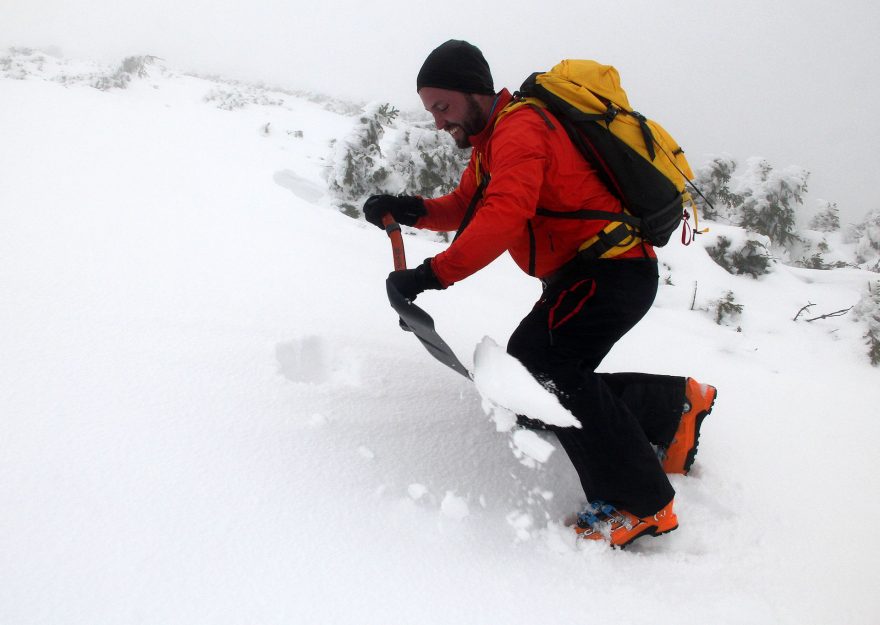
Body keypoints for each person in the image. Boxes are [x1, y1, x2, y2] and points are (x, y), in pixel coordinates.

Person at [363, 40, 717, 548]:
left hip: (611, 272)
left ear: (475, 91)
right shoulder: (494, 142)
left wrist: (430, 275)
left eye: (443, 107)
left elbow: (503, 217)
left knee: (544, 372)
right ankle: (673, 408)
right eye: (431, 111)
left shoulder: (522, 128)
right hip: (590, 276)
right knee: (533, 376)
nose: (439, 122)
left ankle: (642, 505)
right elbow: (467, 205)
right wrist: (408, 208)